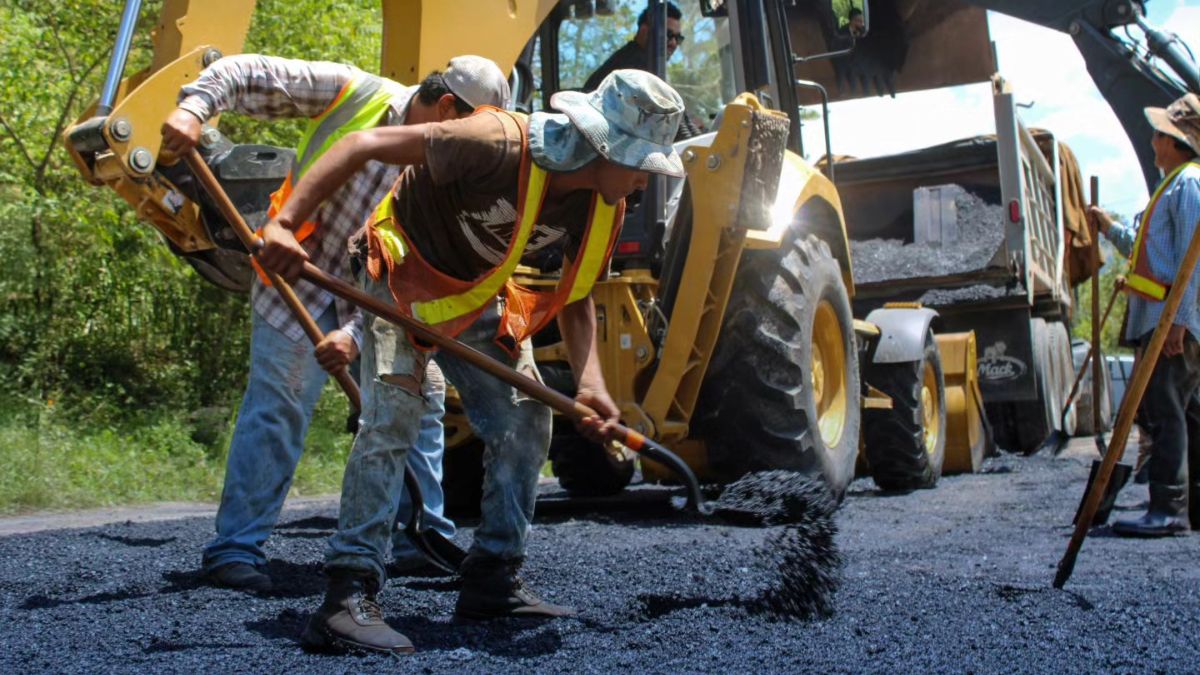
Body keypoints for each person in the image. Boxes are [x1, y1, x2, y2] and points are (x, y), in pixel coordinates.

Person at [256, 69, 684, 654]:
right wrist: (284, 224)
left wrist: (591, 386)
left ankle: (492, 577)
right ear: (603, 147)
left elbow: (578, 294)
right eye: (640, 163)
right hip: (400, 277)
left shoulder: (604, 205)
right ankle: (346, 595)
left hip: (474, 295)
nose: (644, 179)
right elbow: (361, 144)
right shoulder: (494, 142)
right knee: (393, 417)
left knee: (525, 418)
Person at [160, 54, 511, 591]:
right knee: (281, 401)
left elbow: (420, 273)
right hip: (294, 274)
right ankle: (235, 549)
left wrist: (351, 336)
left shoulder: (452, 169)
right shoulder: (357, 93)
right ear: (446, 109)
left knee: (421, 401)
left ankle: (420, 537)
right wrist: (195, 109)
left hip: (379, 298)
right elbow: (244, 72)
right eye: (474, 130)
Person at [1091, 93, 1200, 537]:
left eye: (1158, 134)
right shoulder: (1172, 186)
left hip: (1171, 323)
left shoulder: (1188, 185)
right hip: (1165, 320)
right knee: (1185, 412)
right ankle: (1190, 503)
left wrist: (1179, 322)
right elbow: (1147, 250)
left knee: (1166, 411)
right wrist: (1109, 228)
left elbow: (1194, 258)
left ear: (1174, 141)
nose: (1152, 140)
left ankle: (1169, 508)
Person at [583, 2, 683, 92]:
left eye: (678, 38)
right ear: (644, 31)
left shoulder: (640, 61)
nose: (674, 43)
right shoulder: (635, 67)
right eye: (668, 34)